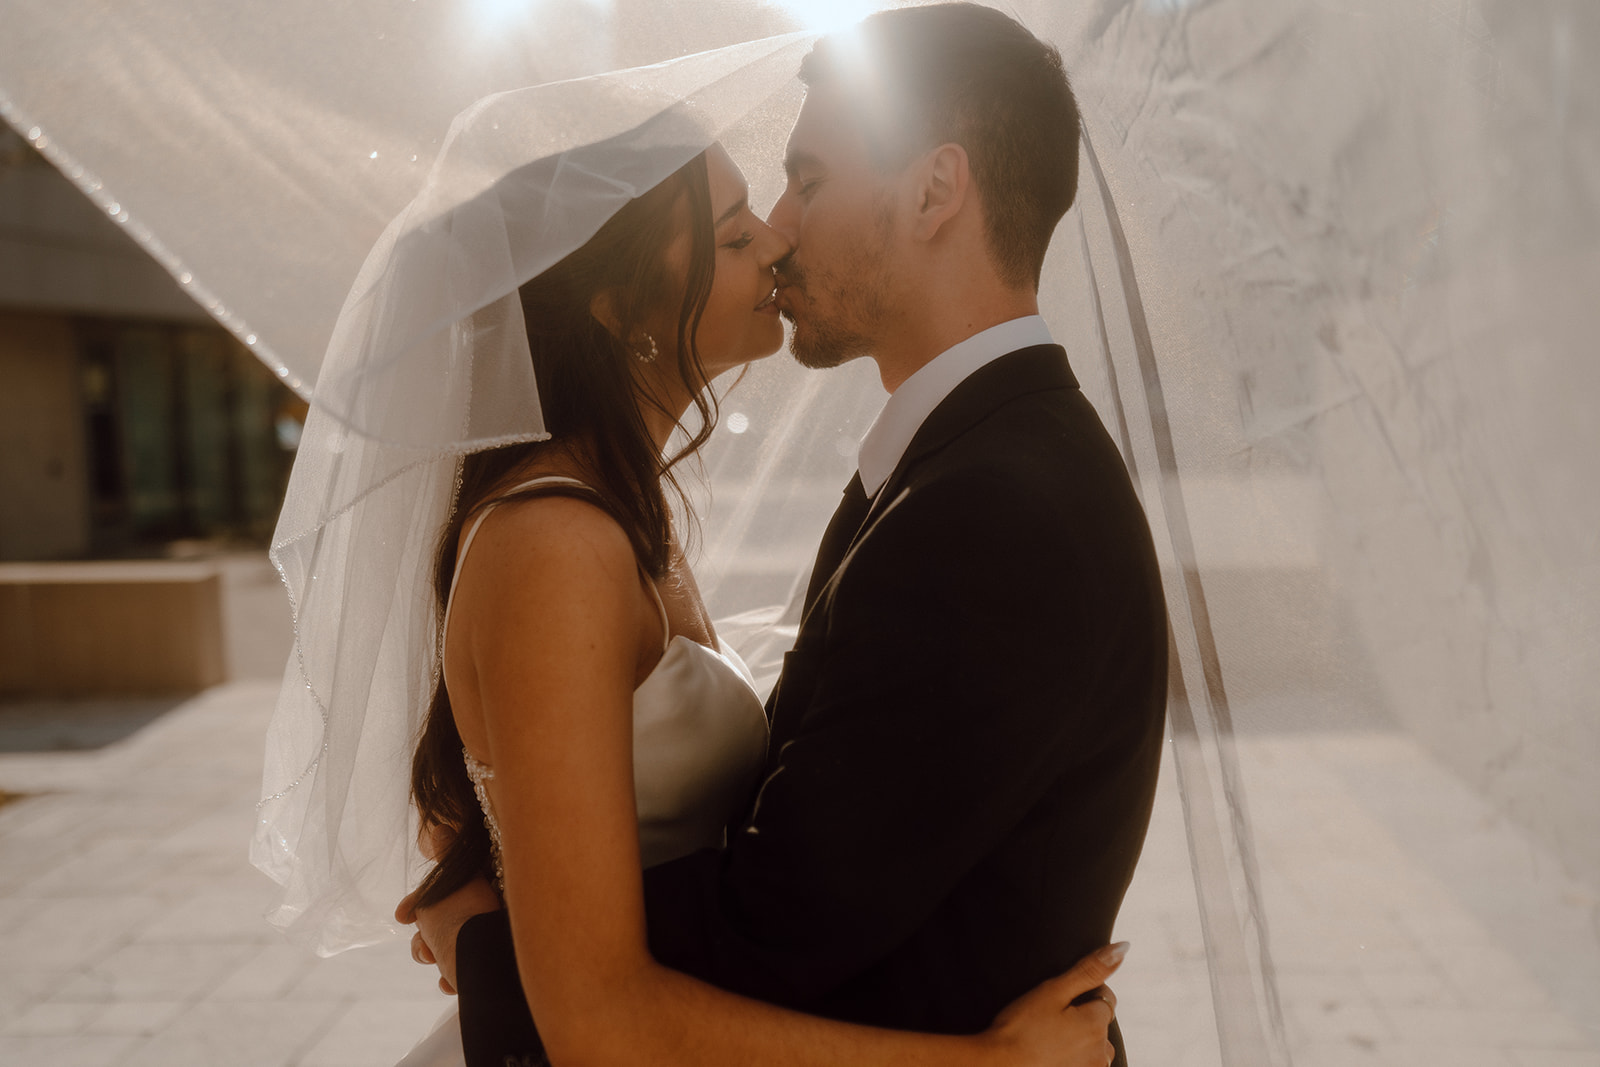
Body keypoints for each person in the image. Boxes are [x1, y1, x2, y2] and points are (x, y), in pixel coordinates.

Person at [409, 5, 1167, 1067]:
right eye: (738, 223)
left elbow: (768, 929)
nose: (777, 225)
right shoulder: (966, 465)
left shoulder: (994, 508)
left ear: (934, 190)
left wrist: (492, 928)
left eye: (806, 179)